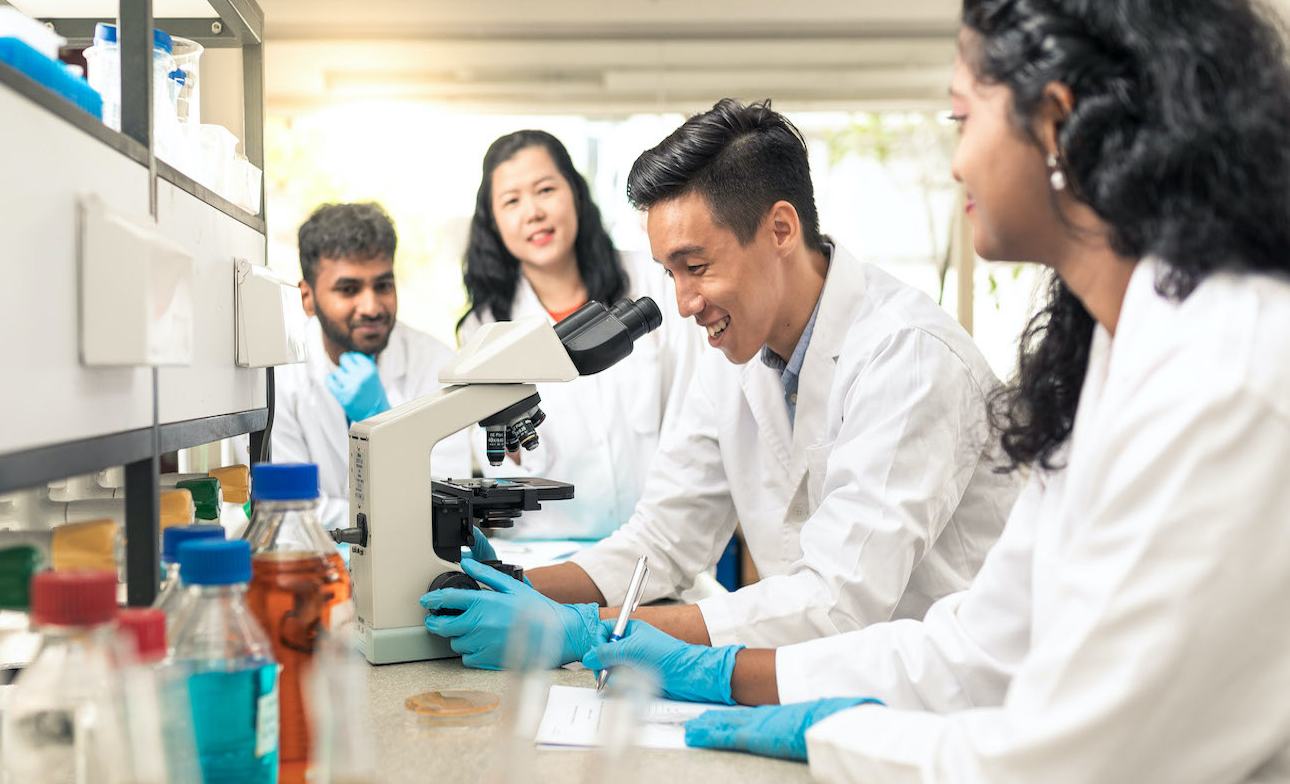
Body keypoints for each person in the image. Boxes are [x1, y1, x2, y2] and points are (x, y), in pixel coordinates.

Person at [573, 0, 1290, 784]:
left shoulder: (1233, 374)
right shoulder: (1112, 354)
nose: (953, 158)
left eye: (963, 117)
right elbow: (979, 649)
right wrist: (743, 676)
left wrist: (831, 731)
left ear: (1057, 120)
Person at [423, 101, 1021, 667]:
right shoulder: (737, 355)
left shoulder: (907, 356)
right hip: (834, 676)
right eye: (669, 273)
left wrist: (581, 630)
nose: (682, 303)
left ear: (781, 230)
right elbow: (664, 538)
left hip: (950, 695)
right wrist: (510, 587)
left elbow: (837, 603)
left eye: (696, 267)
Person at [458, 130, 701, 544]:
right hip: (548, 550)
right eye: (512, 201)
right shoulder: (484, 328)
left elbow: (693, 405)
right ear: (493, 222)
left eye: (545, 189)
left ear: (575, 193)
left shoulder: (652, 278)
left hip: (657, 545)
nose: (533, 212)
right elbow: (500, 465)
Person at [270, 202, 469, 527]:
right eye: (348, 289)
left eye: (383, 286)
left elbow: (446, 506)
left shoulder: (437, 366)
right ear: (307, 298)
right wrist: (390, 517)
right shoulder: (279, 377)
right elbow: (287, 511)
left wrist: (383, 423)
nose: (372, 306)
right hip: (317, 567)